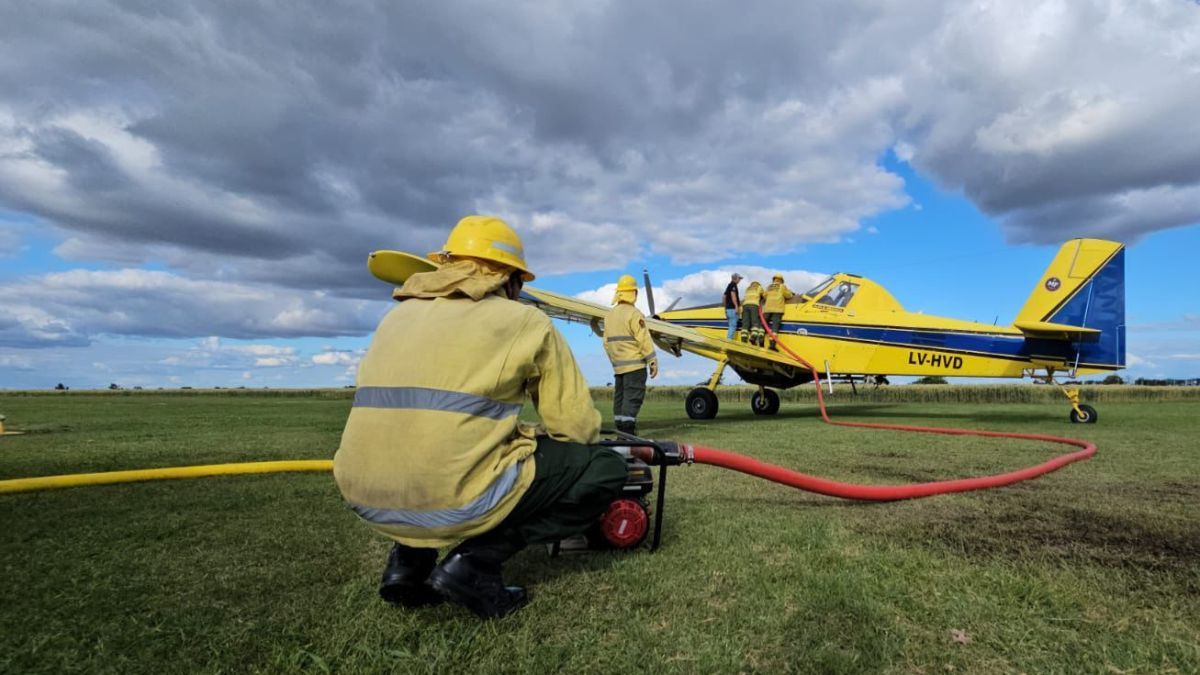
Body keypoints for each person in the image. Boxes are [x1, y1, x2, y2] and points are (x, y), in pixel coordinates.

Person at [333, 215, 628, 620]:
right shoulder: (524, 320)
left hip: (363, 493)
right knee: (603, 468)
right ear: (509, 279)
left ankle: (407, 564)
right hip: (451, 496)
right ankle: (474, 563)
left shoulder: (396, 317)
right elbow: (574, 427)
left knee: (429, 450)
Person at [604, 274, 658, 435]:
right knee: (632, 398)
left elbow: (606, 343)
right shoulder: (634, 314)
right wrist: (652, 360)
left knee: (620, 399)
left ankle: (621, 431)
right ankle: (628, 432)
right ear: (634, 293)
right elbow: (643, 338)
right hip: (635, 366)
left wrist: (616, 360)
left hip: (619, 369)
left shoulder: (609, 315)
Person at [762, 273, 794, 351]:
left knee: (764, 325)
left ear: (774, 279)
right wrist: (791, 293)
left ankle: (760, 340)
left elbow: (764, 296)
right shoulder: (782, 286)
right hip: (777, 309)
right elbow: (788, 295)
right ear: (781, 280)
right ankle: (772, 345)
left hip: (767, 309)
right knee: (775, 328)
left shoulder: (769, 287)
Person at [740, 280, 765, 347]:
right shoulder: (759, 287)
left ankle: (743, 339)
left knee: (745, 324)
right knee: (755, 322)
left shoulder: (748, 288)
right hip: (754, 305)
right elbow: (764, 295)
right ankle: (753, 337)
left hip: (745, 306)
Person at [722, 273, 743, 339]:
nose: (740, 280)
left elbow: (724, 297)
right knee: (732, 326)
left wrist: (725, 308)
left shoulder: (729, 285)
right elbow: (733, 295)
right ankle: (729, 342)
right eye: (739, 279)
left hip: (728, 309)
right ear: (736, 278)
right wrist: (736, 306)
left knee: (731, 325)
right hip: (732, 309)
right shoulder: (733, 285)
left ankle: (728, 341)